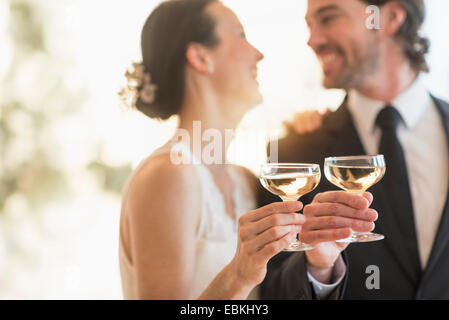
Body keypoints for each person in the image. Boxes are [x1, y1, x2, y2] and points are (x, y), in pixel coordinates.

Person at [118, 0, 376, 300]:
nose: (259, 53)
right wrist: (238, 277)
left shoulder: (245, 181)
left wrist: (319, 263)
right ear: (201, 57)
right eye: (240, 35)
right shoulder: (167, 176)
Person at [259, 0, 449, 299]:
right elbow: (272, 288)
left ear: (391, 17)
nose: (313, 40)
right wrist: (319, 267)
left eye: (329, 18)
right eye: (310, 25)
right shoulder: (292, 154)